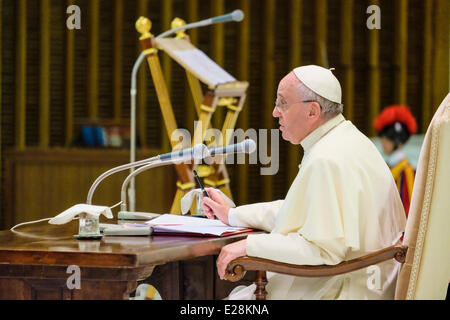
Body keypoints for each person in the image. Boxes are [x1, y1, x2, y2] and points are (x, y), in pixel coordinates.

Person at [202, 65, 406, 300]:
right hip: (363, 281)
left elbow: (323, 250)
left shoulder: (327, 158)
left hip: (343, 289)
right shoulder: (348, 140)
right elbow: (302, 212)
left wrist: (249, 246)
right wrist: (233, 215)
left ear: (312, 111)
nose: (275, 112)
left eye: (282, 103)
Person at [374, 105, 417, 217]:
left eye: (387, 138)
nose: (383, 142)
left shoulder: (406, 171)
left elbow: (409, 209)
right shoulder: (387, 165)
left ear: (398, 142)